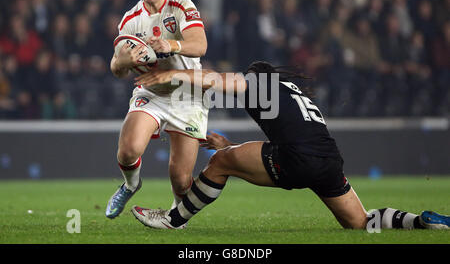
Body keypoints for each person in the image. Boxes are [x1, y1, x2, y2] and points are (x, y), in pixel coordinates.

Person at [129, 61, 450, 230]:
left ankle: (172, 220)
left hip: (298, 157)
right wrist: (230, 145)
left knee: (220, 163)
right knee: (360, 222)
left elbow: (215, 79)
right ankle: (418, 222)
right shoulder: (289, 91)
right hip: (328, 161)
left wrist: (173, 74)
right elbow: (292, 135)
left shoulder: (259, 83)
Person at [106, 0, 209, 219]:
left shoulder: (181, 5)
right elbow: (116, 70)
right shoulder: (129, 21)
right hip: (151, 91)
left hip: (187, 92)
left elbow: (200, 45)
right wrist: (123, 61)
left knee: (180, 178)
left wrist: (172, 45)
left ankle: (176, 217)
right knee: (128, 151)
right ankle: (131, 184)